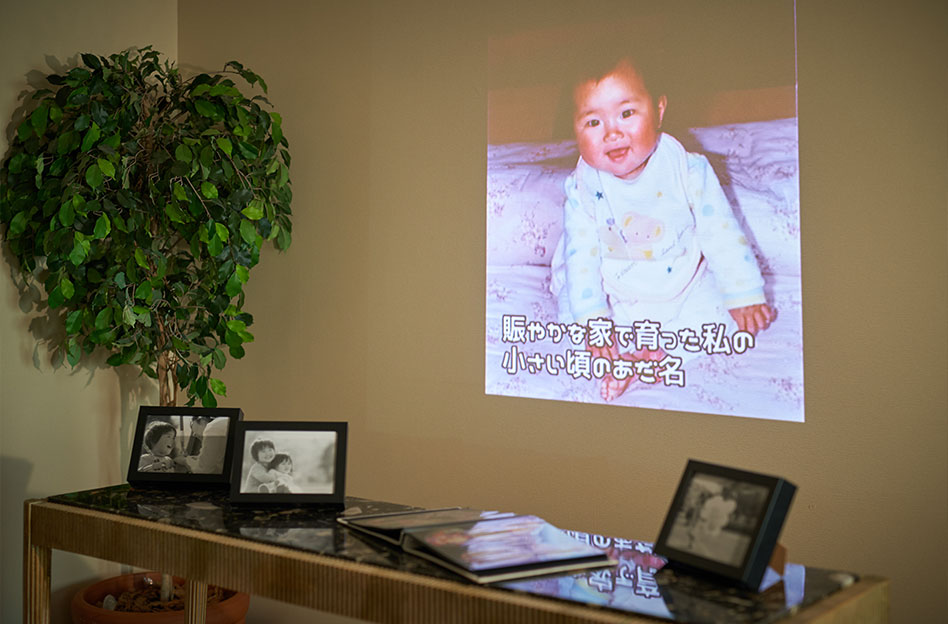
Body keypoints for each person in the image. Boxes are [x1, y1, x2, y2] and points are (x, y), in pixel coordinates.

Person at [551, 57, 775, 401]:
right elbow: (582, 257)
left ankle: (661, 357)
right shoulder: (581, 188)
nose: (612, 132)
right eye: (593, 122)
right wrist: (594, 321)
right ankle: (623, 361)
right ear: (574, 130)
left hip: (683, 280)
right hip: (615, 287)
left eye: (627, 113)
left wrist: (744, 292)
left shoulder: (687, 169)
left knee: (726, 317)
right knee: (573, 310)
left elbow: (721, 232)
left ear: (658, 110)